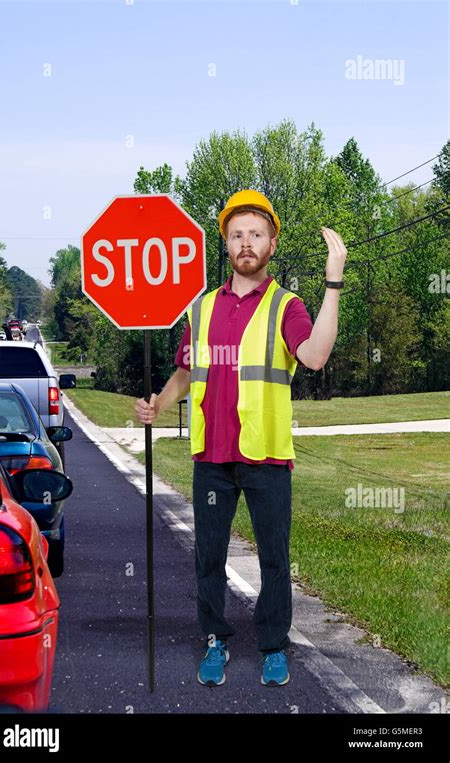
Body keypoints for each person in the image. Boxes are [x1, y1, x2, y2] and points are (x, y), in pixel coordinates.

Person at [135, 190, 348, 687]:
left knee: (274, 557)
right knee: (209, 555)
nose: (245, 243)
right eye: (236, 235)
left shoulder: (286, 307)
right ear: (225, 244)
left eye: (255, 234)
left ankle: (274, 645)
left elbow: (315, 356)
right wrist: (158, 405)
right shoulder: (202, 308)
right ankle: (215, 638)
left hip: (267, 455)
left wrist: (332, 284)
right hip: (212, 456)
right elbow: (187, 371)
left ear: (272, 243)